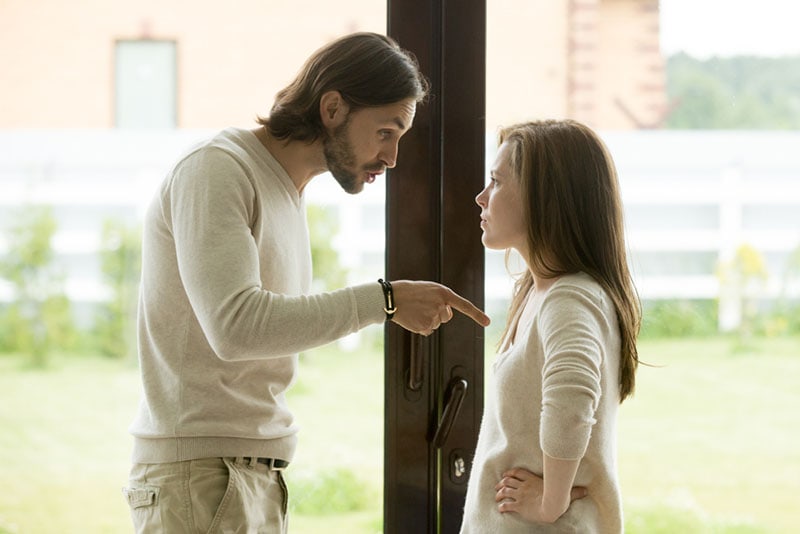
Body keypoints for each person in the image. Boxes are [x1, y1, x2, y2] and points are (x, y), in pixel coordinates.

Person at [122, 32, 490, 533]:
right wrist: (384, 300)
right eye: (386, 132)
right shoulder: (217, 169)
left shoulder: (286, 193)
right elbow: (236, 328)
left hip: (247, 475)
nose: (393, 157)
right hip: (200, 477)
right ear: (333, 107)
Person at [460, 119, 641, 533]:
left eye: (497, 181)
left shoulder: (569, 298)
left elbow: (571, 402)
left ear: (545, 199)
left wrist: (550, 500)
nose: (481, 197)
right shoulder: (540, 291)